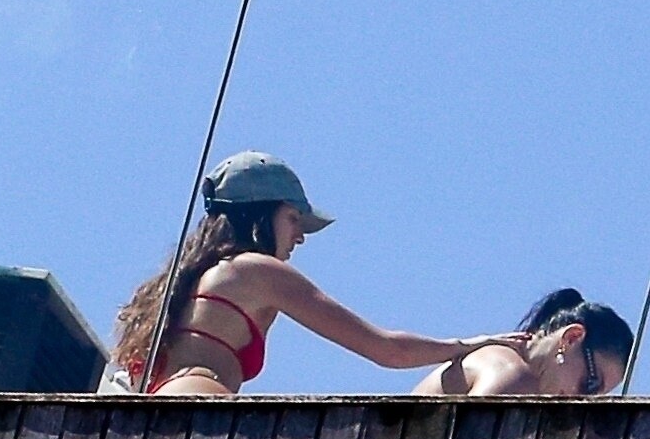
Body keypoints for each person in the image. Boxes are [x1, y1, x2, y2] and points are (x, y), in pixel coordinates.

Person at [112, 150, 528, 395]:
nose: (299, 236)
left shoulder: (191, 282)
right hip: (201, 421)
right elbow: (384, 348)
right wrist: (465, 346)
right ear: (260, 215)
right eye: (293, 219)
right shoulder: (256, 270)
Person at [412, 288, 633, 396]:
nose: (583, 401)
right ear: (572, 338)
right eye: (591, 383)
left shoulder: (501, 360)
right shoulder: (515, 375)